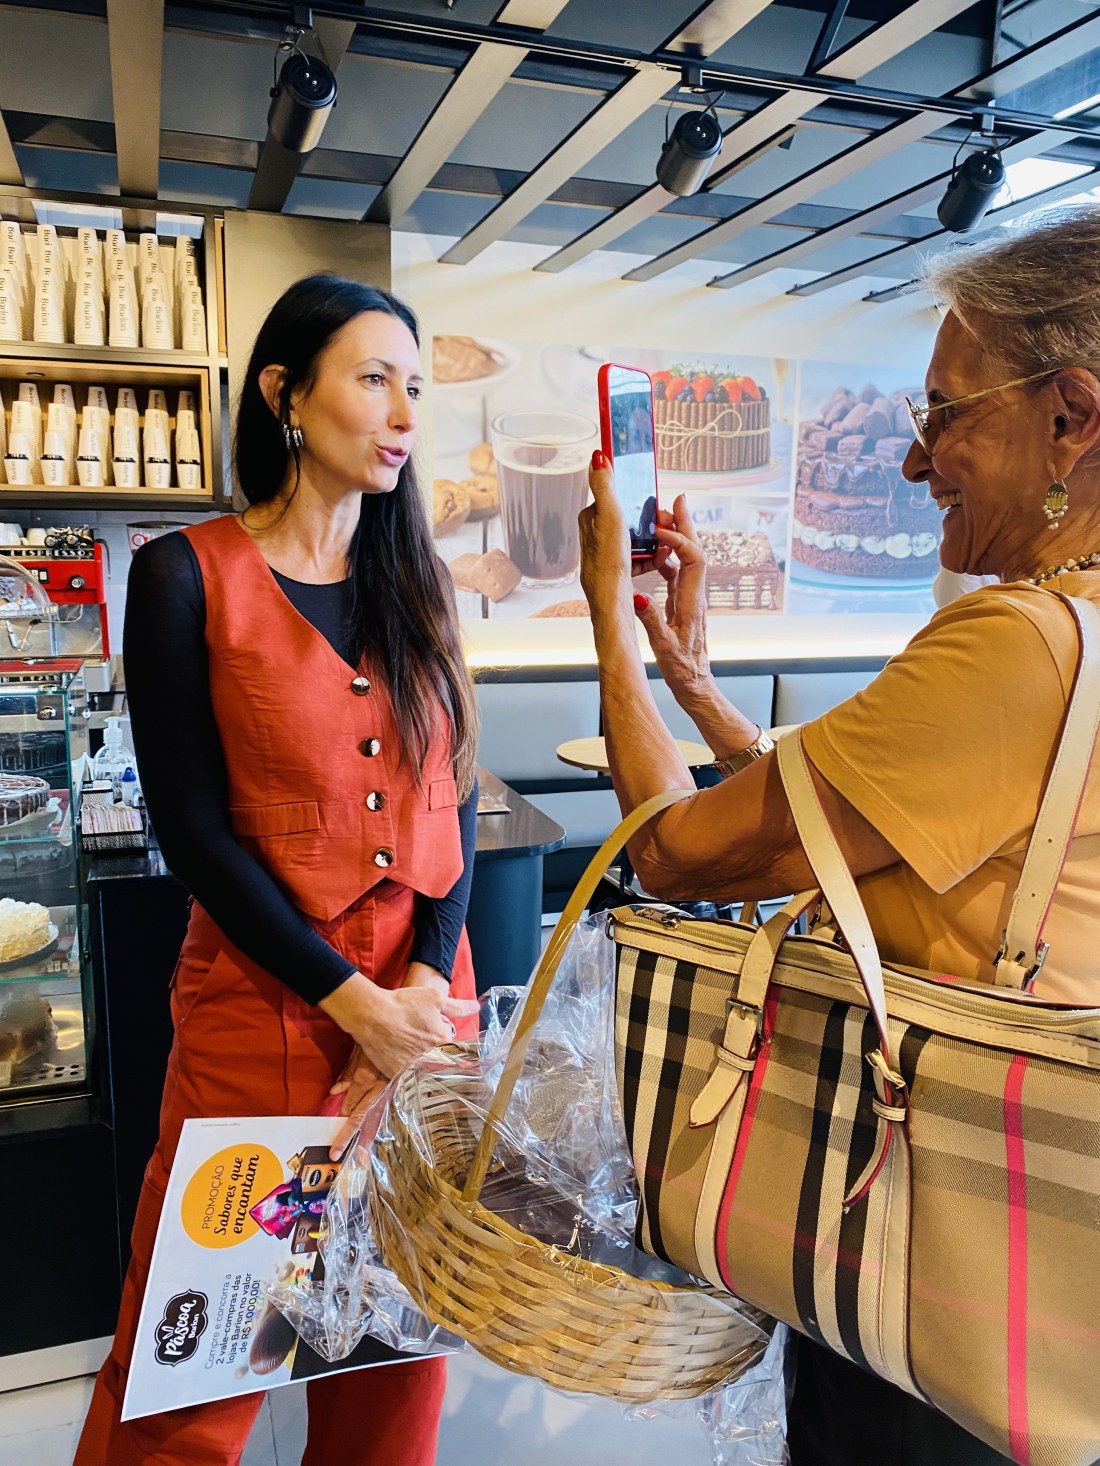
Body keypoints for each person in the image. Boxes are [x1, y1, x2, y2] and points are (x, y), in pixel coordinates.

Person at [578, 203, 1100, 1465]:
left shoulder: (1021, 646)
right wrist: (694, 681)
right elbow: (860, 819)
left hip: (932, 1240)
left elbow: (674, 854)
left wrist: (603, 610)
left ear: (1070, 417)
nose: (915, 464)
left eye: (943, 412)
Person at [76, 276, 481, 1466]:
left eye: (415, 387)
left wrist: (419, 990)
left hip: (422, 1011)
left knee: (392, 1358)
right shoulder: (186, 574)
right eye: (374, 379)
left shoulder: (420, 582)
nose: (402, 413)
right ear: (284, 394)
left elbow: (450, 795)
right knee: (195, 1369)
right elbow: (194, 830)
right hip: (264, 1019)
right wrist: (355, 1004)